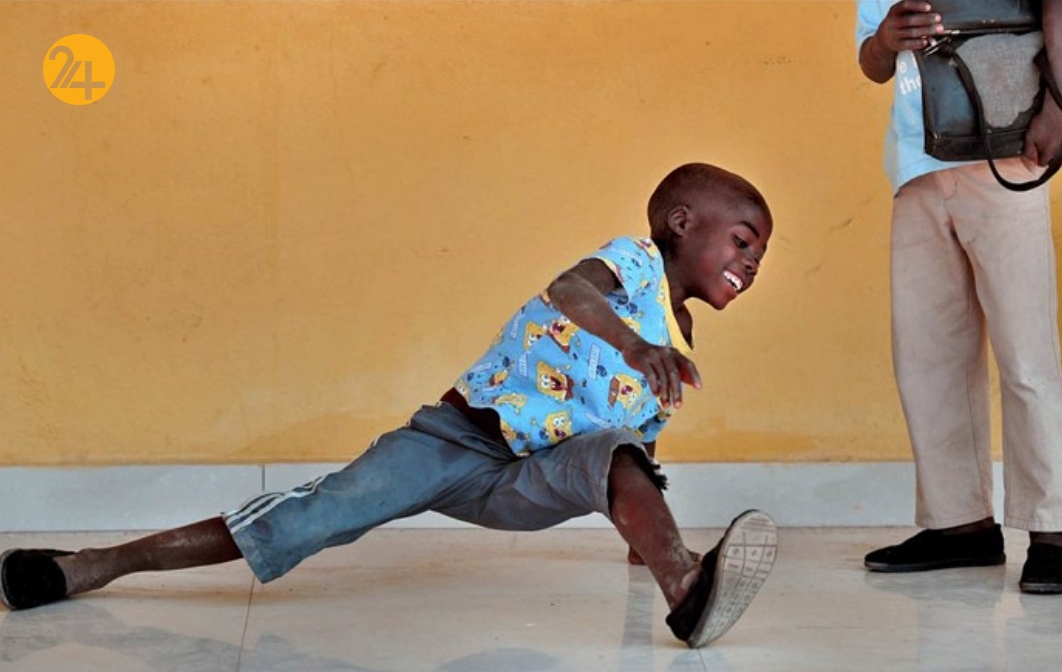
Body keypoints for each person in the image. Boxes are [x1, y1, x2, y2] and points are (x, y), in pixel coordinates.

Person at [0, 162, 778, 647]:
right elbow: (568, 290)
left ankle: (687, 590)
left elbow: (635, 450)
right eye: (743, 241)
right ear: (682, 225)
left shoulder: (679, 344)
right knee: (310, 518)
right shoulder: (632, 265)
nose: (751, 263)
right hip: (456, 441)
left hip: (532, 479)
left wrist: (646, 543)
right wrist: (633, 345)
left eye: (761, 255)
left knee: (618, 453)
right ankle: (91, 566)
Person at [856, 1, 1062, 594]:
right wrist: (886, 40)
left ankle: (1053, 529)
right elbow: (871, 61)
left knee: (1027, 354)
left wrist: (1059, 106)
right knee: (929, 355)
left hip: (1008, 149)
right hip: (916, 164)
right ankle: (960, 523)